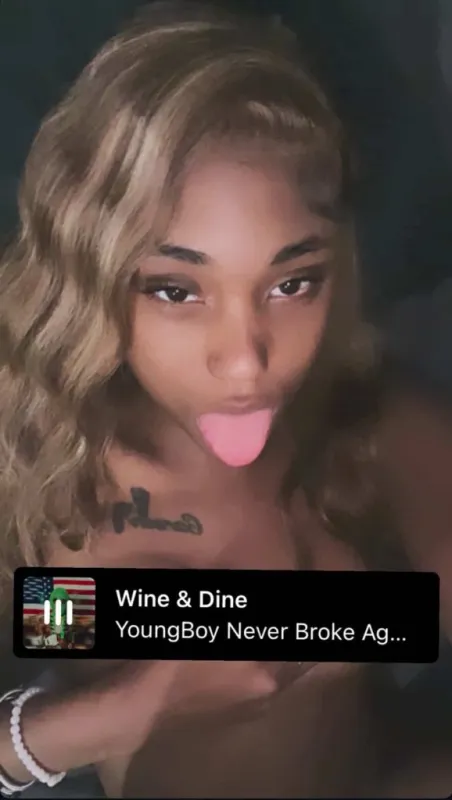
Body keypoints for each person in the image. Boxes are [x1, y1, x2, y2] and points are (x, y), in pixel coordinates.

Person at [0, 2, 451, 798]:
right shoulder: (29, 456)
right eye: (176, 289)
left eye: (291, 283)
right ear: (90, 269)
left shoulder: (372, 425)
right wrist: (117, 711)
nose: (245, 361)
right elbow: (55, 617)